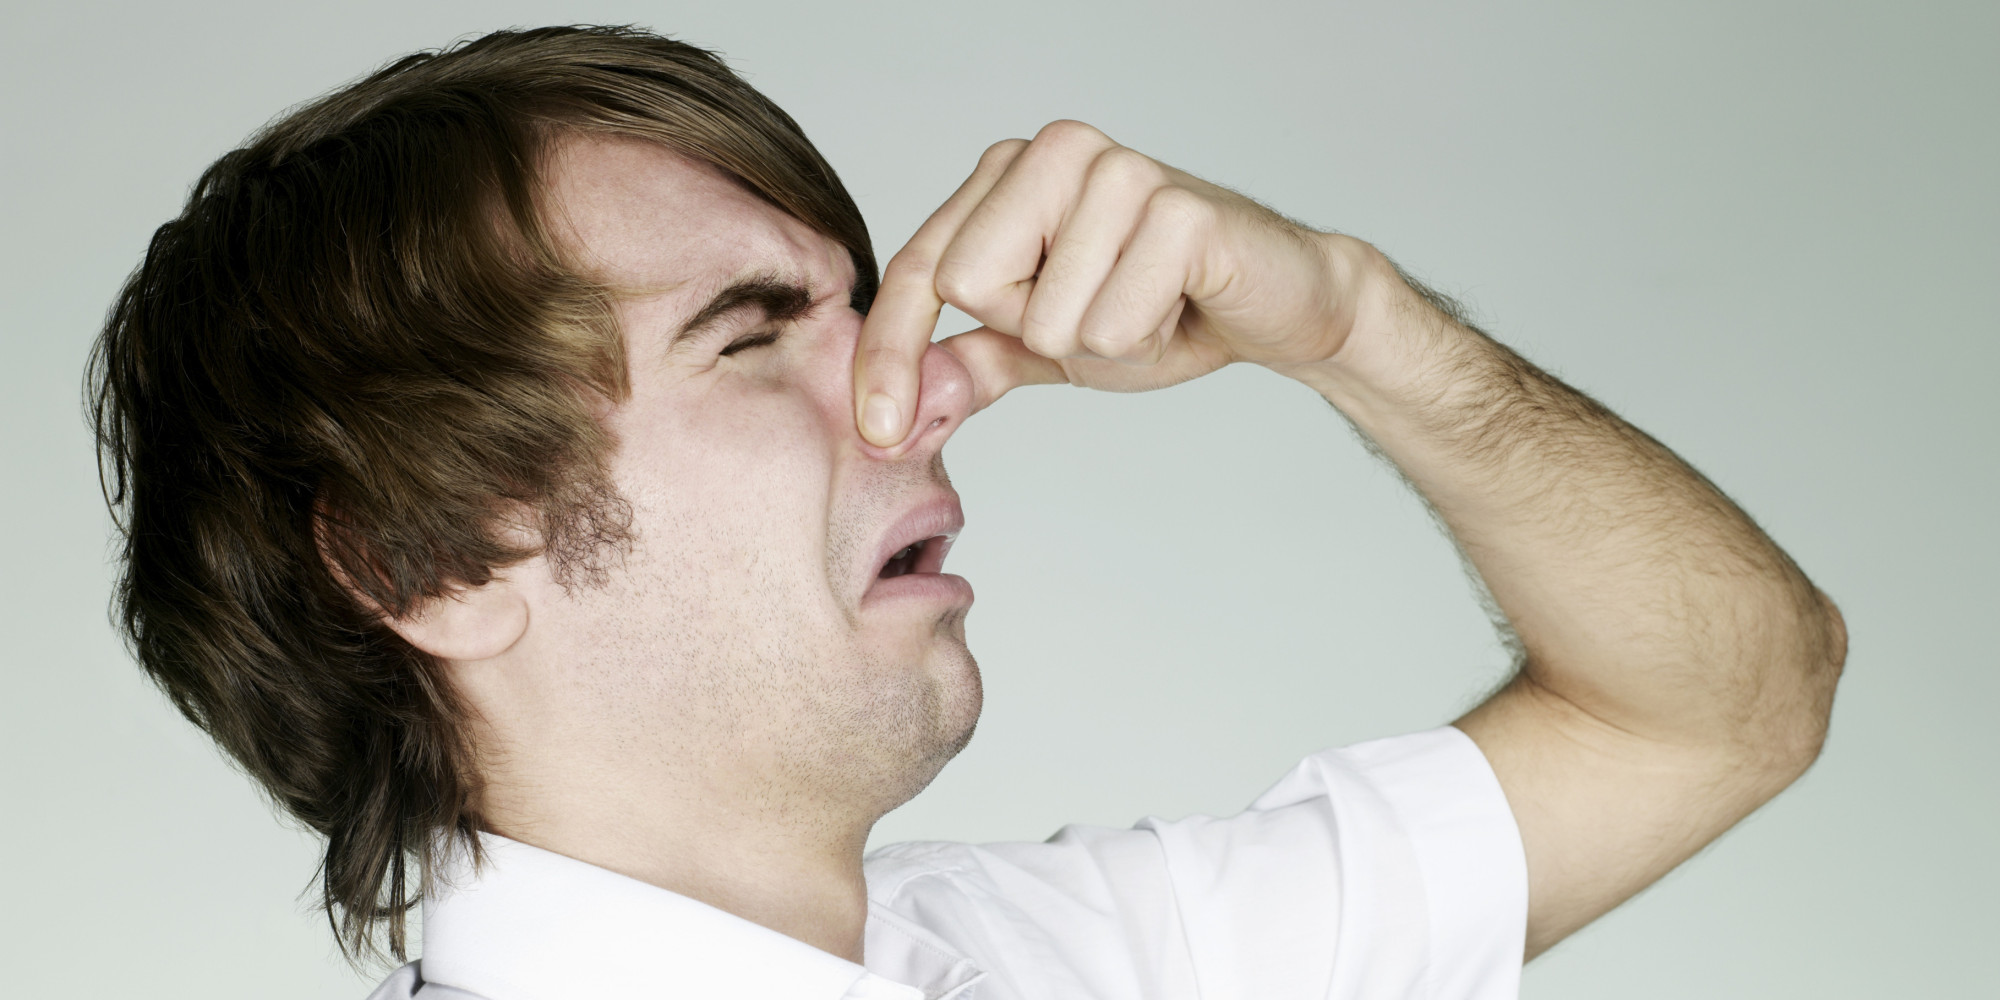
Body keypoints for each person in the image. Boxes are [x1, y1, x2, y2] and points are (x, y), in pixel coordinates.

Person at [86, 24, 1846, 1000]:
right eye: (751, 337)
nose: (927, 382)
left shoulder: (1074, 959)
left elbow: (1717, 701)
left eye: (866, 309)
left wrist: (1356, 327)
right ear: (426, 555)